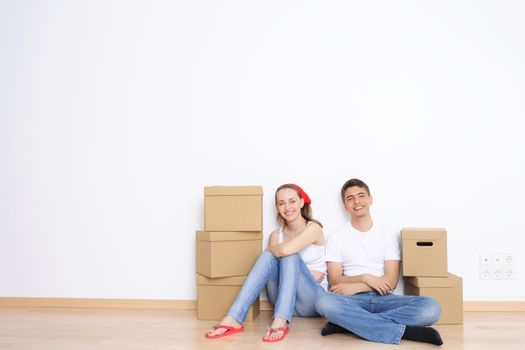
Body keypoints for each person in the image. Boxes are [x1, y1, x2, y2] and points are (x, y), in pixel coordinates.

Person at [315, 178, 443, 346]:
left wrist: (360, 285)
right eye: (350, 198)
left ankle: (349, 325)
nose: (357, 201)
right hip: (351, 299)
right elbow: (335, 279)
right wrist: (367, 278)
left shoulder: (388, 234)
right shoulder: (336, 237)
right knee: (323, 302)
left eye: (361, 195)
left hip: (384, 298)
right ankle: (404, 331)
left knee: (431, 307)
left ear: (370, 199)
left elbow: (390, 281)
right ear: (345, 205)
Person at [205, 183, 327, 342]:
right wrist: (272, 251)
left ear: (302, 202)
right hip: (281, 300)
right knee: (268, 256)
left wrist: (275, 250)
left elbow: (284, 251)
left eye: (292, 201)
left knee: (288, 255)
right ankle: (233, 318)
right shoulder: (276, 235)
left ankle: (280, 321)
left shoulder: (314, 228)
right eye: (281, 203)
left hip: (311, 301)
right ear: (276, 206)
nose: (287, 207)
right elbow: (273, 255)